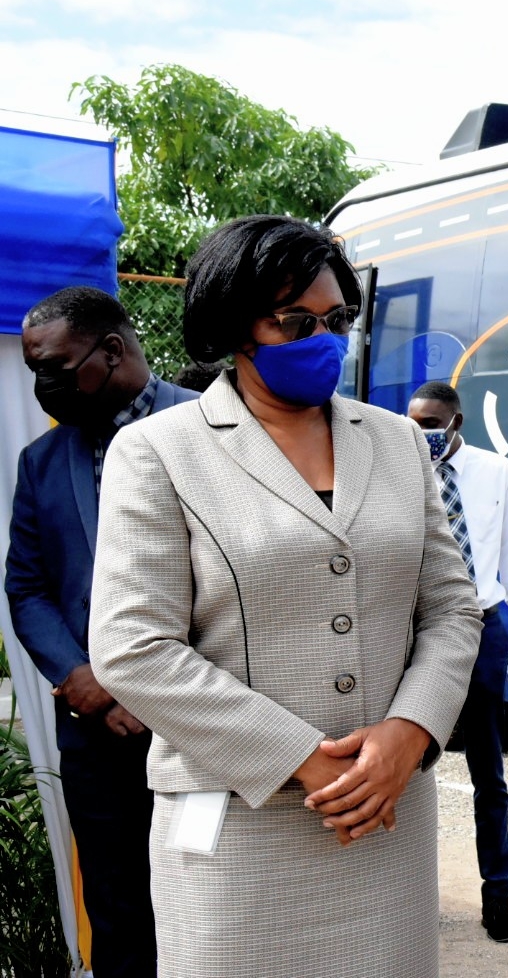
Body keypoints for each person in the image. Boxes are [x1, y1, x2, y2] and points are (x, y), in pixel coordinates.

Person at [86, 215, 483, 978]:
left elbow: (450, 606)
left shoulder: (398, 442)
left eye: (335, 320)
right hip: (241, 827)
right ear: (236, 325)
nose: (323, 339)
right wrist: (302, 757)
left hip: (384, 822)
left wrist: (411, 729)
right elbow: (133, 647)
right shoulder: (160, 452)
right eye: (295, 321)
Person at [5, 287, 197, 978]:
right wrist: (86, 683)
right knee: (119, 916)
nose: (43, 387)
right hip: (101, 740)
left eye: (55, 368)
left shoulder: (215, 426)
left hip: (208, 735)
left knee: (210, 909)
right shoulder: (43, 462)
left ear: (112, 351)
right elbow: (26, 589)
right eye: (34, 371)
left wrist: (165, 691)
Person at [406, 379, 508, 943]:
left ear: (456, 421)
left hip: (481, 626)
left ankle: (496, 894)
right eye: (414, 423)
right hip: (416, 631)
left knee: (489, 771)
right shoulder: (399, 468)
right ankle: (404, 897)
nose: (422, 433)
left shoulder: (495, 473)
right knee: (406, 767)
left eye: (431, 424)